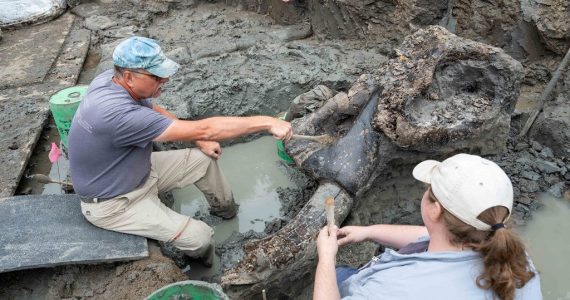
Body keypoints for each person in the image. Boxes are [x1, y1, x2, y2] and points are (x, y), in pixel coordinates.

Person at [68, 36, 292, 266]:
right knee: (200, 237)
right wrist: (267, 122)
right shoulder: (118, 116)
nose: (164, 79)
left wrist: (199, 140)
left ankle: (226, 212)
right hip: (114, 202)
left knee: (203, 160)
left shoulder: (110, 80)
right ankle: (205, 265)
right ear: (128, 76)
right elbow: (207, 128)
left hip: (135, 170)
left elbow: (156, 110)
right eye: (155, 76)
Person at [314, 153, 542, 299]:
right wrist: (368, 232)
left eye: (429, 191)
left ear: (435, 209)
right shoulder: (514, 257)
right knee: (343, 273)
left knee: (336, 273)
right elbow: (428, 236)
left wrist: (325, 258)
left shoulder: (392, 289)